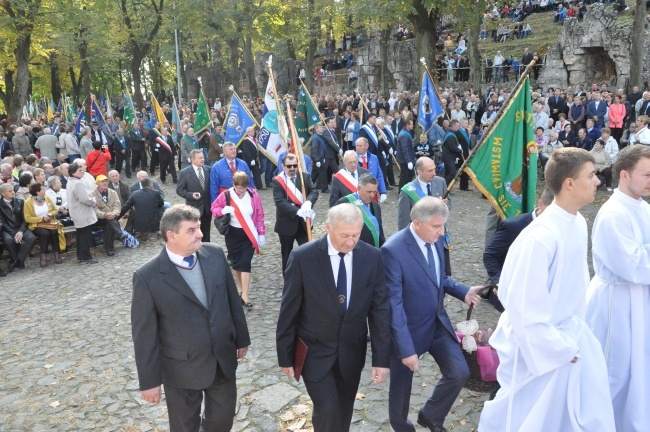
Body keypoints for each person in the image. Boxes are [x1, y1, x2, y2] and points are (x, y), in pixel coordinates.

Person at [479, 148, 616, 431]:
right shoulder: (541, 238)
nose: (598, 182)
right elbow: (522, 305)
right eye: (590, 176)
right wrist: (560, 348)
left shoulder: (577, 222)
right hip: (543, 350)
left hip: (571, 338)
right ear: (569, 183)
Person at [131, 204, 250, 432]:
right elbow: (144, 334)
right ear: (171, 235)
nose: (200, 234)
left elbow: (232, 300)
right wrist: (149, 381)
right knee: (184, 426)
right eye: (192, 230)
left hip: (221, 361)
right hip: (180, 370)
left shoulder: (214, 254)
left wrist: (241, 338)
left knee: (222, 421)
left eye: (198, 228)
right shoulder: (147, 277)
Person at [276, 203, 391, 432]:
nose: (350, 242)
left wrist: (381, 359)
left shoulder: (372, 257)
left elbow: (379, 312)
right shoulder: (303, 257)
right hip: (314, 353)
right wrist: (285, 356)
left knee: (344, 410)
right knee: (327, 410)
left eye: (356, 235)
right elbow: (289, 310)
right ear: (328, 228)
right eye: (344, 235)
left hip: (351, 352)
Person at [382, 197, 482, 432]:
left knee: (459, 372)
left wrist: (463, 291)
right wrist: (406, 350)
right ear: (417, 224)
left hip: (437, 323)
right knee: (401, 388)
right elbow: (393, 304)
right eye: (436, 226)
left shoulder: (435, 239)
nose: (441, 231)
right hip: (409, 330)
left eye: (443, 225)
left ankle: (430, 415)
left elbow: (439, 277)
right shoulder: (392, 251)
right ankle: (401, 427)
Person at [586, 145, 650, 431]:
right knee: (615, 371)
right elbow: (632, 264)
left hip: (639, 299)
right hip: (616, 301)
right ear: (625, 175)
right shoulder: (613, 213)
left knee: (639, 369)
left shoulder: (643, 207)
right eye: (647, 174)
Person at [482, 188, 554, 311]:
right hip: (514, 295)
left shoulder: (559, 227)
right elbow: (490, 255)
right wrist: (500, 283)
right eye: (553, 211)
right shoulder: (513, 226)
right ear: (540, 204)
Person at [211, 172, 265, 308]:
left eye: (243, 188)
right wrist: (223, 210)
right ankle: (240, 289)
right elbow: (214, 208)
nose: (240, 191)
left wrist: (261, 233)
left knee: (246, 262)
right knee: (235, 262)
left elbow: (259, 214)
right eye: (238, 187)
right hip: (233, 234)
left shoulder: (253, 195)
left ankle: (245, 295)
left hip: (248, 234)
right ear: (233, 185)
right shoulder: (227, 195)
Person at [272, 153, 319, 275]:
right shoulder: (278, 181)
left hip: (304, 224)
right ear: (283, 166)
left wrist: (308, 202)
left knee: (307, 252)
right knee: (287, 254)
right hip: (286, 223)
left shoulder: (305, 177)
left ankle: (306, 276)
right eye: (289, 166)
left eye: (295, 165)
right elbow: (280, 202)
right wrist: (298, 211)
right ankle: (288, 278)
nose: (292, 169)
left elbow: (314, 191)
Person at [335, 174, 385, 247]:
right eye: (369, 192)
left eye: (374, 192)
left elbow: (380, 232)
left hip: (373, 251)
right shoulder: (345, 203)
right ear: (358, 188)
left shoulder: (375, 206)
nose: (372, 195)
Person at [23, 183, 64, 267]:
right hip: (36, 225)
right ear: (37, 192)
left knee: (54, 232)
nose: (44, 190)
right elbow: (27, 218)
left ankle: (56, 253)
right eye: (42, 189)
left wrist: (51, 215)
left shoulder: (47, 198)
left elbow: (55, 210)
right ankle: (43, 255)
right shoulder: (28, 203)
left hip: (50, 222)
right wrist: (41, 219)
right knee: (44, 233)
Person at [0, 183, 38, 271]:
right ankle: (17, 260)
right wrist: (14, 233)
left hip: (21, 228)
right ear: (3, 194)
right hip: (7, 230)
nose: (13, 192)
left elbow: (25, 219)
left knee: (31, 238)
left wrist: (20, 231)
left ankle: (17, 260)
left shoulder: (20, 202)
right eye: (10, 191)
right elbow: (2, 222)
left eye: (13, 190)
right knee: (9, 240)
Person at [177, 149, 212, 242]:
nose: (203, 159)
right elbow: (179, 190)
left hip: (207, 208)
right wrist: (191, 195)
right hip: (194, 207)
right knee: (194, 233)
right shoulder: (185, 172)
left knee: (206, 232)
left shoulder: (208, 170)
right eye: (200, 158)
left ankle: (206, 251)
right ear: (192, 159)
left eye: (203, 157)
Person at [66, 162, 99, 264]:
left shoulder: (71, 181)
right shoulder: (77, 183)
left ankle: (81, 255)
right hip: (82, 213)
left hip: (77, 212)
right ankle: (86, 256)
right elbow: (85, 198)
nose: (82, 172)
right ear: (73, 172)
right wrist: (93, 200)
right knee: (85, 236)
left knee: (81, 236)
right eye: (79, 171)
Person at [92, 174, 128, 256]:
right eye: (102, 181)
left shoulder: (113, 192)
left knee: (109, 222)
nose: (104, 183)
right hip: (98, 218)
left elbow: (117, 205)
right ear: (97, 183)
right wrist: (104, 214)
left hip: (112, 217)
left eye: (106, 181)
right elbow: (94, 210)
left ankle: (109, 248)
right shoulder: (92, 194)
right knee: (109, 221)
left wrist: (114, 213)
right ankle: (119, 235)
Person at [395, 119, 416, 190]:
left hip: (405, 159)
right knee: (405, 176)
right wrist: (408, 161)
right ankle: (402, 191)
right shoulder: (404, 135)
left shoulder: (406, 133)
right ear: (407, 125)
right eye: (411, 124)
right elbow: (405, 149)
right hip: (404, 160)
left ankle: (406, 188)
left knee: (409, 174)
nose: (413, 125)